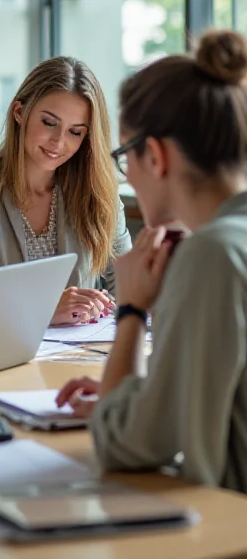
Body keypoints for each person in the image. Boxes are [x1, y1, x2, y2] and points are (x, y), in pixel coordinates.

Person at [57, 30, 247, 493]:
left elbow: (128, 445)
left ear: (156, 156)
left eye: (123, 155)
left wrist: (133, 310)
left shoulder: (212, 254)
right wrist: (139, 397)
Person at [0, 56, 131, 325]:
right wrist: (44, 309)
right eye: (49, 123)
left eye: (75, 132)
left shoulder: (99, 192)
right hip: (2, 353)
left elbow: (128, 285)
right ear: (19, 113)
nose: (59, 142)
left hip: (83, 352)